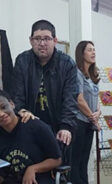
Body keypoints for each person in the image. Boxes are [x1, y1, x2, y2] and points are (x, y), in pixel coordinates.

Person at [12, 19, 78, 150]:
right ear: (31, 40)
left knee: (60, 163)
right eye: (37, 39)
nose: (42, 43)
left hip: (58, 125)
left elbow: (70, 98)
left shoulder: (67, 63)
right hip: (29, 123)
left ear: (55, 40)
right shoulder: (22, 60)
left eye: (47, 38)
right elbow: (17, 93)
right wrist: (21, 111)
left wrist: (65, 126)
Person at [70, 41, 101, 184]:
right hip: (79, 123)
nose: (93, 52)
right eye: (89, 50)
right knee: (76, 164)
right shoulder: (77, 74)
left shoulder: (92, 74)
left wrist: (98, 113)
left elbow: (96, 99)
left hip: (90, 122)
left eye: (94, 49)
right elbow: (79, 99)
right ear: (81, 53)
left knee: (83, 163)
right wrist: (92, 117)